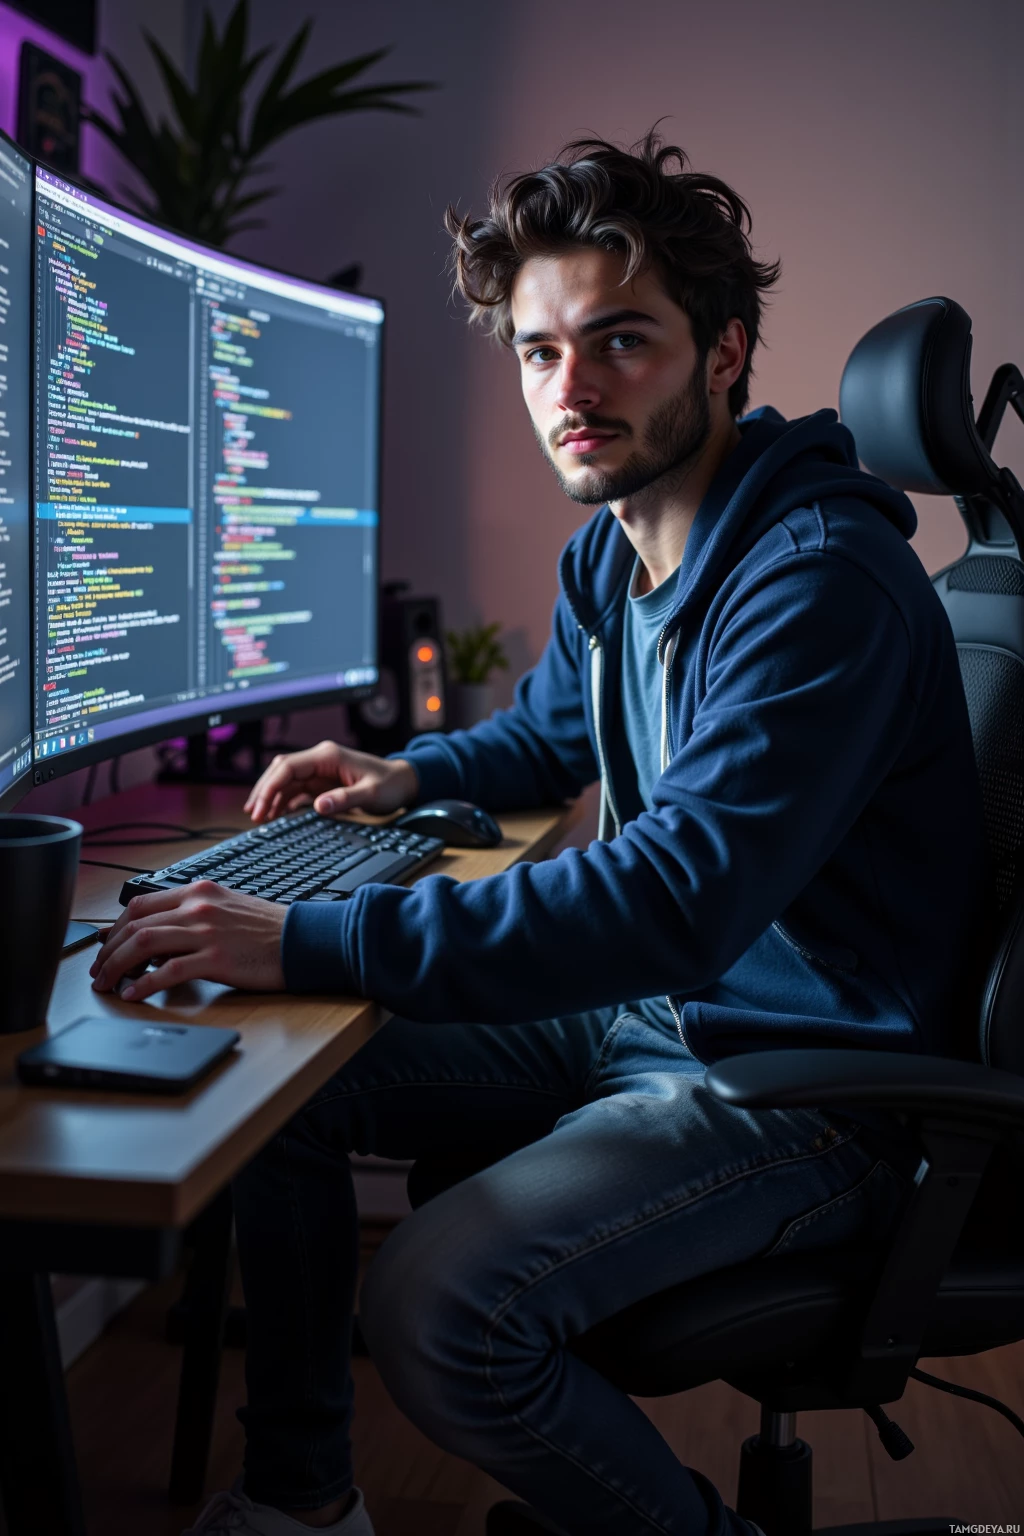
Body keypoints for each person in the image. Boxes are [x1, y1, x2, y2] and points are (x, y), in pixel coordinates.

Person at [91, 131, 988, 1536]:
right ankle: (304, 1504)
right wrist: (399, 771)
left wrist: (317, 934)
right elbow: (556, 734)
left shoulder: (819, 582)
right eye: (538, 351)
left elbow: (679, 896)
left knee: (440, 1304)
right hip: (667, 1015)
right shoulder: (621, 542)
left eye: (620, 342)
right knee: (270, 1089)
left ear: (727, 353)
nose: (571, 390)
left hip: (810, 1089)